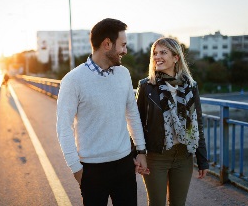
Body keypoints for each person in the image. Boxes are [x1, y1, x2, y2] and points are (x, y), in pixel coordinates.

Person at [56, 18, 148, 206]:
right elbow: (63, 128)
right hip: (92, 170)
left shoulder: (124, 74)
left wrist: (141, 151)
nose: (125, 51)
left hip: (124, 164)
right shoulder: (73, 80)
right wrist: (76, 169)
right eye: (122, 45)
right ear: (107, 44)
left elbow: (132, 114)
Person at [136, 37, 209, 206]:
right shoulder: (146, 86)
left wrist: (202, 159)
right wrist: (138, 154)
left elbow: (197, 123)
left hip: (184, 156)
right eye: (155, 53)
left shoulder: (190, 86)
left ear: (176, 58)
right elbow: (136, 123)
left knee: (178, 203)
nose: (157, 57)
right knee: (156, 203)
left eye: (163, 52)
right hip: (156, 157)